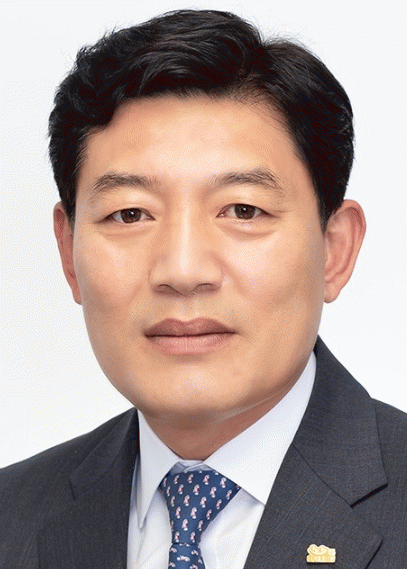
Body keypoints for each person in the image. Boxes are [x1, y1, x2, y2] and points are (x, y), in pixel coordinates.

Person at [0, 9, 405, 569]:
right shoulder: (11, 517)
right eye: (130, 214)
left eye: (243, 210)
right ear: (69, 253)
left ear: (335, 249)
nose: (183, 270)